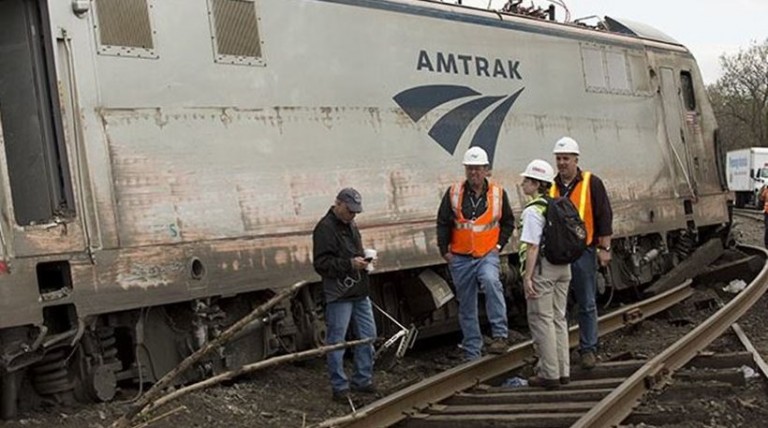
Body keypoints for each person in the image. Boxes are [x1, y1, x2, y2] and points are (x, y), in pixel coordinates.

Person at [436, 146, 516, 360]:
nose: (473, 173)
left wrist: (498, 246)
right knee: (466, 303)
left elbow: (508, 222)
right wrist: (444, 251)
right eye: (470, 168)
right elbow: (443, 222)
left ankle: (500, 335)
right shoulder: (454, 193)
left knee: (491, 282)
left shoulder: (498, 194)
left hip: (486, 254)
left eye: (478, 169)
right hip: (460, 256)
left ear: (486, 170)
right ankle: (472, 350)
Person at [550, 136, 613, 369]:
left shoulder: (591, 182)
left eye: (566, 158)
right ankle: (561, 351)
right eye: (559, 158)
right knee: (560, 305)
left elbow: (604, 215)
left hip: (583, 251)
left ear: (576, 159)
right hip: (558, 254)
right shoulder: (551, 186)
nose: (562, 163)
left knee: (586, 302)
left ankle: (588, 349)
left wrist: (604, 248)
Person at [312, 188, 377, 403]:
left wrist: (363, 261)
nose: (353, 215)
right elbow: (321, 264)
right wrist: (350, 264)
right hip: (339, 292)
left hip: (358, 289)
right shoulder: (324, 228)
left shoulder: (350, 224)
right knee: (337, 341)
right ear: (338, 204)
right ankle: (339, 386)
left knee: (368, 335)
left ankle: (362, 379)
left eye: (355, 212)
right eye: (350, 210)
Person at [518, 159, 571, 389]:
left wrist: (527, 277)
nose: (522, 184)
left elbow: (532, 247)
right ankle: (563, 371)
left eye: (526, 180)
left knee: (542, 320)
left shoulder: (533, 210)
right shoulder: (557, 205)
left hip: (544, 269)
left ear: (536, 183)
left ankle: (549, 374)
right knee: (559, 319)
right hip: (564, 268)